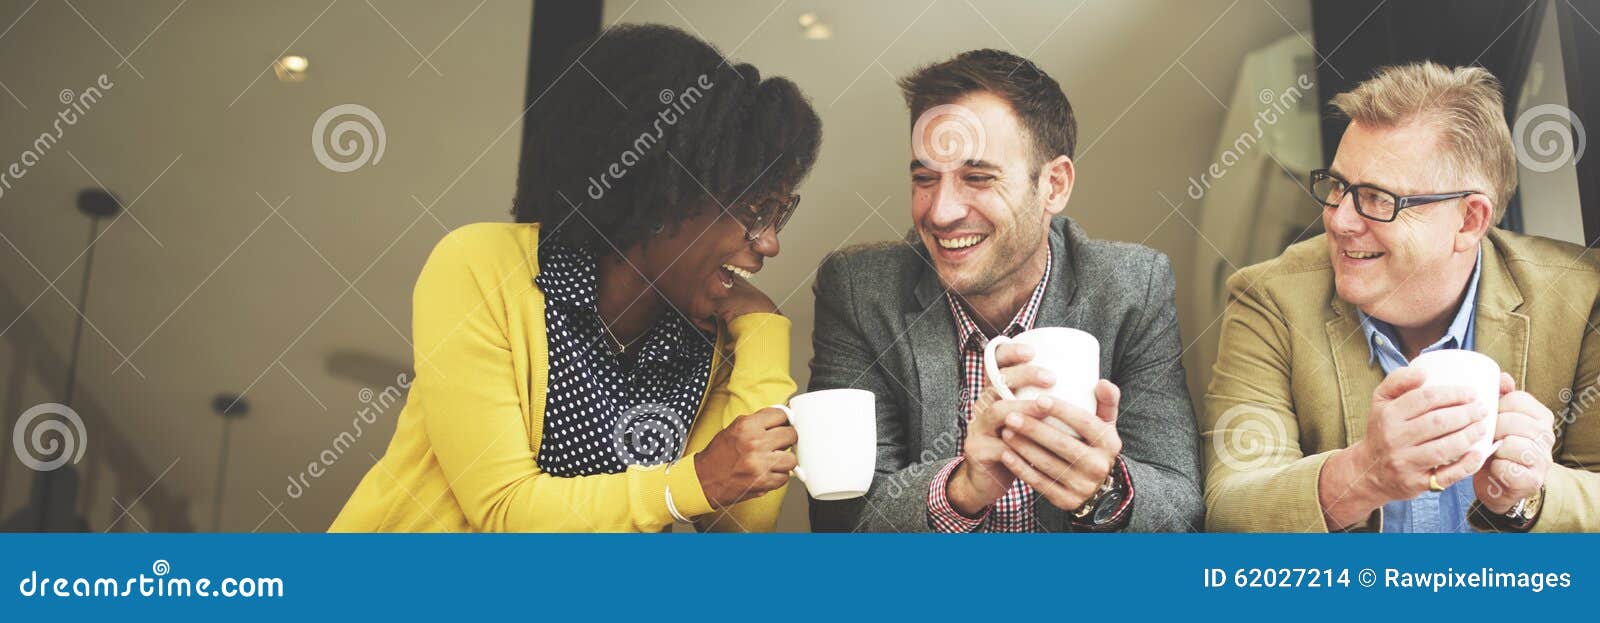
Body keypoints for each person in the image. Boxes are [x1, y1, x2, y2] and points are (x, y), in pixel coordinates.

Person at [331, 25, 821, 532]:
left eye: (778, 214)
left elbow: (738, 531)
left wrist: (763, 331)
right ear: (663, 196)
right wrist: (693, 482)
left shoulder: (710, 334)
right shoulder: (482, 267)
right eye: (755, 210)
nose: (769, 243)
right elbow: (503, 510)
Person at [808, 49, 1202, 532]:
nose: (941, 212)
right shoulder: (859, 292)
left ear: (1054, 185)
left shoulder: (1132, 288)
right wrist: (961, 491)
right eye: (925, 178)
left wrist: (1105, 490)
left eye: (977, 178)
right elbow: (841, 522)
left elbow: (1182, 511)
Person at [1204, 61, 1600, 532]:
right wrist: (1362, 475)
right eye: (1338, 187)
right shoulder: (1269, 299)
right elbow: (1229, 509)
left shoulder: (1579, 296)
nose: (1339, 220)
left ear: (1470, 220)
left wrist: (1528, 496)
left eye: (1376, 198)